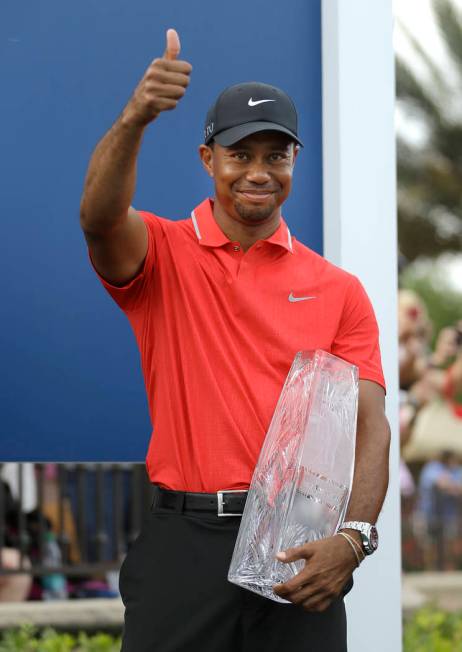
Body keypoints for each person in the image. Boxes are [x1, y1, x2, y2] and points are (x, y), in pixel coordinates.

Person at [80, 28, 391, 652]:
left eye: (276, 155)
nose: (259, 172)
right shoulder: (162, 252)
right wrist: (137, 117)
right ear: (207, 159)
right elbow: (99, 218)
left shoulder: (339, 289)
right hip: (185, 542)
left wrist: (354, 538)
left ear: (294, 161)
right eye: (240, 154)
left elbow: (370, 424)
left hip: (298, 543)